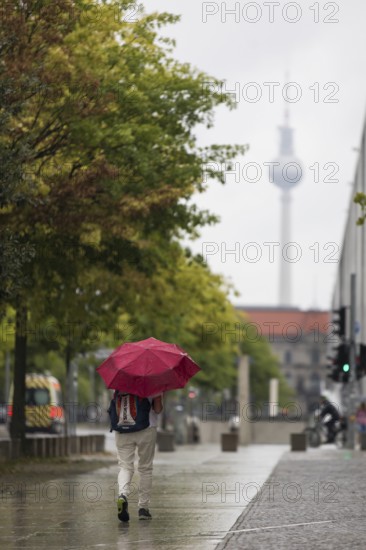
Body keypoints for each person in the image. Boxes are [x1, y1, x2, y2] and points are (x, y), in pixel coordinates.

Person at [115, 393, 163, 522]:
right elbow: (157, 409)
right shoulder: (153, 380)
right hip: (147, 428)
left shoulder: (120, 378)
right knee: (145, 468)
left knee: (125, 467)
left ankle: (123, 495)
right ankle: (143, 508)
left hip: (123, 427)